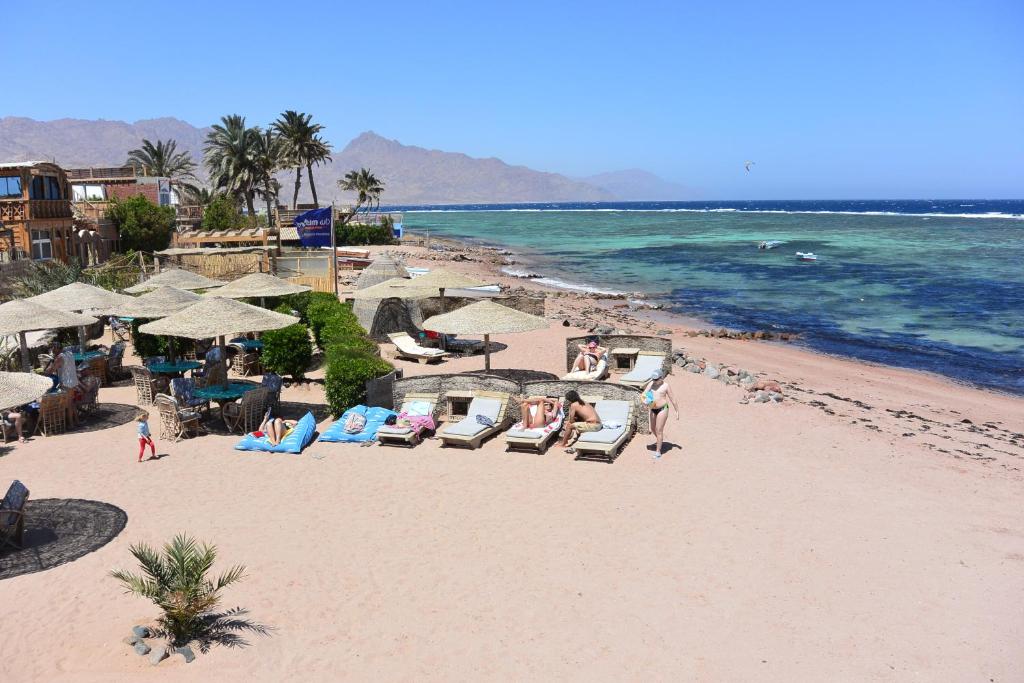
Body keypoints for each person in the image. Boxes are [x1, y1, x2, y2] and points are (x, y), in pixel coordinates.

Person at [642, 370, 678, 457]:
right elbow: (644, 393)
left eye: (656, 379)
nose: (654, 381)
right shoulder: (651, 384)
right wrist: (645, 402)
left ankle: (658, 451)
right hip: (653, 409)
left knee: (659, 430)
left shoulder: (666, 386)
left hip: (663, 409)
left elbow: (672, 398)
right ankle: (660, 439)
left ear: (661, 378)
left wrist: (677, 411)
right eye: (653, 379)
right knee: (653, 428)